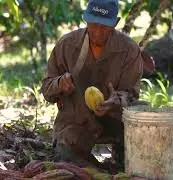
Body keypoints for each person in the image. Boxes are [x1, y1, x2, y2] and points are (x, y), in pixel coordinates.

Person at [40, 0, 143, 167]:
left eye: (104, 26)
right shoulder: (67, 45)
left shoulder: (128, 50)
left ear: (115, 23)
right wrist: (60, 83)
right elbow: (46, 90)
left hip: (115, 120)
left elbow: (132, 95)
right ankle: (94, 169)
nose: (97, 32)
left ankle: (122, 155)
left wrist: (116, 101)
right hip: (76, 121)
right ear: (86, 20)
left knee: (144, 118)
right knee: (69, 158)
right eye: (93, 24)